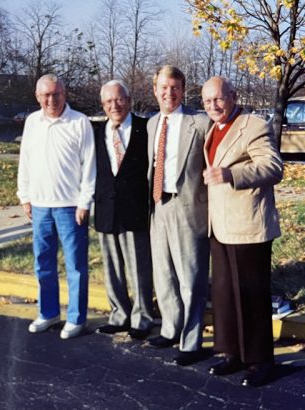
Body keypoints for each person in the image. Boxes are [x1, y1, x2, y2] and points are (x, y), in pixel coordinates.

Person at [201, 76, 283, 387]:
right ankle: (232, 353)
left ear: (233, 97)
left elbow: (273, 167)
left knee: (251, 297)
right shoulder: (213, 129)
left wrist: (231, 174)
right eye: (207, 101)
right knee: (225, 296)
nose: (213, 106)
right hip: (220, 226)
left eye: (218, 99)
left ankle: (260, 361)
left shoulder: (253, 125)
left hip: (248, 226)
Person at [17, 73, 96, 340]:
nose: (51, 100)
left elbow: (89, 166)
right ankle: (48, 312)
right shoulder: (32, 122)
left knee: (75, 265)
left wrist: (85, 201)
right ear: (38, 97)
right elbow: (25, 162)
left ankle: (76, 318)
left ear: (65, 94)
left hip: (70, 207)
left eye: (56, 94)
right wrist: (24, 196)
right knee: (43, 263)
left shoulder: (79, 122)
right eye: (45, 95)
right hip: (40, 206)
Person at [146, 65, 211, 366]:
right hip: (160, 206)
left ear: (183, 90)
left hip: (188, 208)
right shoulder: (152, 124)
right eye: (163, 87)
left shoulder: (199, 123)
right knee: (164, 275)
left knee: (190, 279)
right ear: (155, 89)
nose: (168, 93)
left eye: (174, 87)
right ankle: (171, 329)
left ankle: (191, 341)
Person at [92, 80, 154, 340]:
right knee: (112, 267)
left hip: (135, 209)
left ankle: (142, 318)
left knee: (139, 268)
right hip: (106, 208)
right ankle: (119, 314)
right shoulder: (95, 132)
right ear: (103, 105)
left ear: (129, 101)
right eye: (108, 102)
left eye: (119, 100)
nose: (114, 106)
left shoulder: (145, 128)